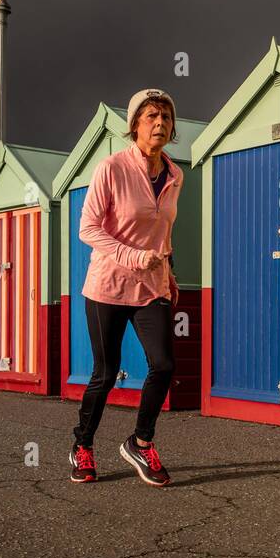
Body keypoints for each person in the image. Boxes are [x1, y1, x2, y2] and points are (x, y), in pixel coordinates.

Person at [69, 88, 182, 486]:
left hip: (152, 287)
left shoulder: (174, 174)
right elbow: (88, 229)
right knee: (105, 372)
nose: (160, 123)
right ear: (135, 125)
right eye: (151, 116)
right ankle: (82, 445)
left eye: (166, 117)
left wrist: (168, 271)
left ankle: (140, 441)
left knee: (164, 365)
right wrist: (133, 257)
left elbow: (163, 230)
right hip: (107, 287)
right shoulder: (111, 168)